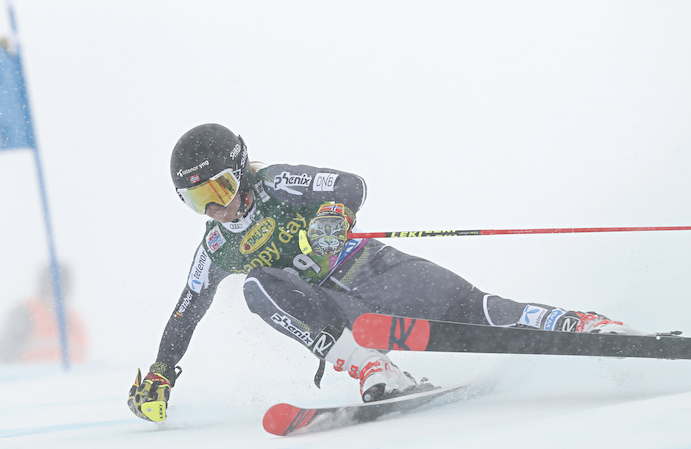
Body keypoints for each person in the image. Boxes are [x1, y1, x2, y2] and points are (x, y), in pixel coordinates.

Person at [127, 123, 641, 422]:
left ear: (239, 170)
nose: (213, 208)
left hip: (374, 270)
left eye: (216, 190)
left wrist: (335, 216)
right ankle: (374, 366)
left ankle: (580, 324)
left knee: (473, 309)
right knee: (257, 287)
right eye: (196, 200)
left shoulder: (277, 182)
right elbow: (187, 309)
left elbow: (350, 184)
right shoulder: (217, 246)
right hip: (342, 313)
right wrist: (161, 373)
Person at [0, 264, 88, 364]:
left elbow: (82, 356)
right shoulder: (26, 311)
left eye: (63, 282)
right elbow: (6, 353)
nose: (58, 287)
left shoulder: (74, 319)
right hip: (34, 378)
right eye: (52, 281)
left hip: (71, 379)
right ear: (42, 283)